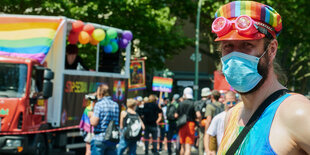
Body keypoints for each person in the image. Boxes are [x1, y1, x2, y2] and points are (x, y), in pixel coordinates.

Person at [210, 1, 310, 154]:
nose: (235, 56)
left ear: (271, 50)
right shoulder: (231, 116)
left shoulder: (297, 113)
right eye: (228, 46)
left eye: (247, 45)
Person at [89, 84, 119, 155]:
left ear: (101, 93)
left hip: (100, 138)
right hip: (112, 138)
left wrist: (91, 115)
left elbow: (94, 122)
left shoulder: (99, 104)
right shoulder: (115, 105)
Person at [204, 91, 237, 155]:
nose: (231, 105)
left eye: (233, 102)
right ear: (224, 101)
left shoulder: (241, 116)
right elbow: (208, 134)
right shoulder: (218, 118)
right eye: (228, 102)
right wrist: (208, 150)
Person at [175, 87, 200, 155]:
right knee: (188, 147)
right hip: (191, 124)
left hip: (182, 125)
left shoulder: (180, 103)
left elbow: (176, 115)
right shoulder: (194, 103)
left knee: (182, 147)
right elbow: (198, 115)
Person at [194, 87, 212, 155]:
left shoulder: (197, 103)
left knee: (201, 138)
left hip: (202, 123)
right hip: (210, 122)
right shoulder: (210, 102)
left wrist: (200, 121)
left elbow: (198, 115)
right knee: (209, 138)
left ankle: (201, 153)